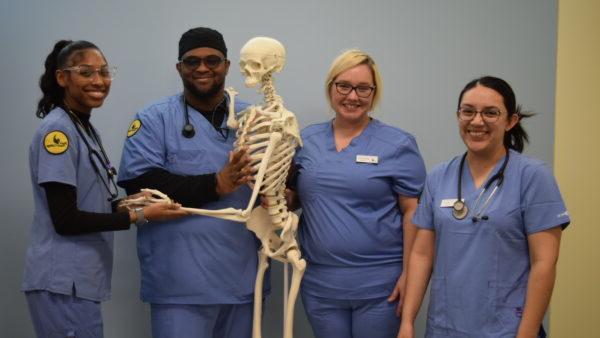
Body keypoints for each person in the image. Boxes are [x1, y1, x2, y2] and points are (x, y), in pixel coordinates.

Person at [21, 40, 187, 338]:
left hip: (78, 282)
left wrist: (129, 203)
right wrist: (140, 216)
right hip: (62, 281)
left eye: (104, 72)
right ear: (62, 78)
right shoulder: (57, 133)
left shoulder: (84, 129)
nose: (98, 81)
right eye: (85, 72)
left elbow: (86, 202)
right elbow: (65, 219)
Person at [398, 76, 570, 338]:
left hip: (506, 329)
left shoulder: (533, 176)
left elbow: (544, 264)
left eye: (490, 113)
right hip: (445, 327)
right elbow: (422, 255)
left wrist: (526, 334)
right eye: (468, 111)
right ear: (458, 116)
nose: (477, 121)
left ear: (511, 121)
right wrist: (408, 322)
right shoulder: (438, 177)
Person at [117, 27, 261, 338]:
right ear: (179, 67)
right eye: (192, 61)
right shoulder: (154, 119)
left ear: (226, 65)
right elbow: (138, 183)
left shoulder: (254, 118)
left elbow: (283, 175)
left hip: (242, 278)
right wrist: (216, 185)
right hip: (180, 285)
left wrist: (289, 188)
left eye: (212, 60)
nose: (202, 68)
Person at [288, 49, 426, 338]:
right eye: (344, 86)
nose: (353, 96)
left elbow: (413, 212)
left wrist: (408, 275)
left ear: (374, 93)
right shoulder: (306, 141)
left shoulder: (397, 144)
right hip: (320, 286)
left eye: (363, 88)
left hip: (380, 287)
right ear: (331, 88)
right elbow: (297, 198)